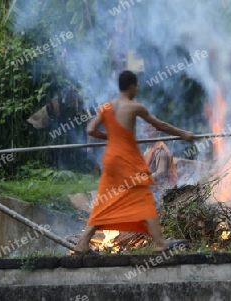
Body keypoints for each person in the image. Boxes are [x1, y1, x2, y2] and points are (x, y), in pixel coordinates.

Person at [73, 70, 195, 254]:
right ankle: (160, 243)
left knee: (104, 201)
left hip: (111, 160)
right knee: (144, 197)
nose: (136, 89)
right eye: (136, 86)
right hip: (127, 159)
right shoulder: (135, 107)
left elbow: (90, 129)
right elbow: (160, 125)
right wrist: (183, 134)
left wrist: (110, 136)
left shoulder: (107, 107)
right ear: (132, 86)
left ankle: (82, 243)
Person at [141, 123, 178, 207]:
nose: (146, 134)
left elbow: (161, 173)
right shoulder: (148, 149)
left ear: (158, 131)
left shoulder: (160, 151)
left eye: (149, 130)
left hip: (161, 193)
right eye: (144, 131)